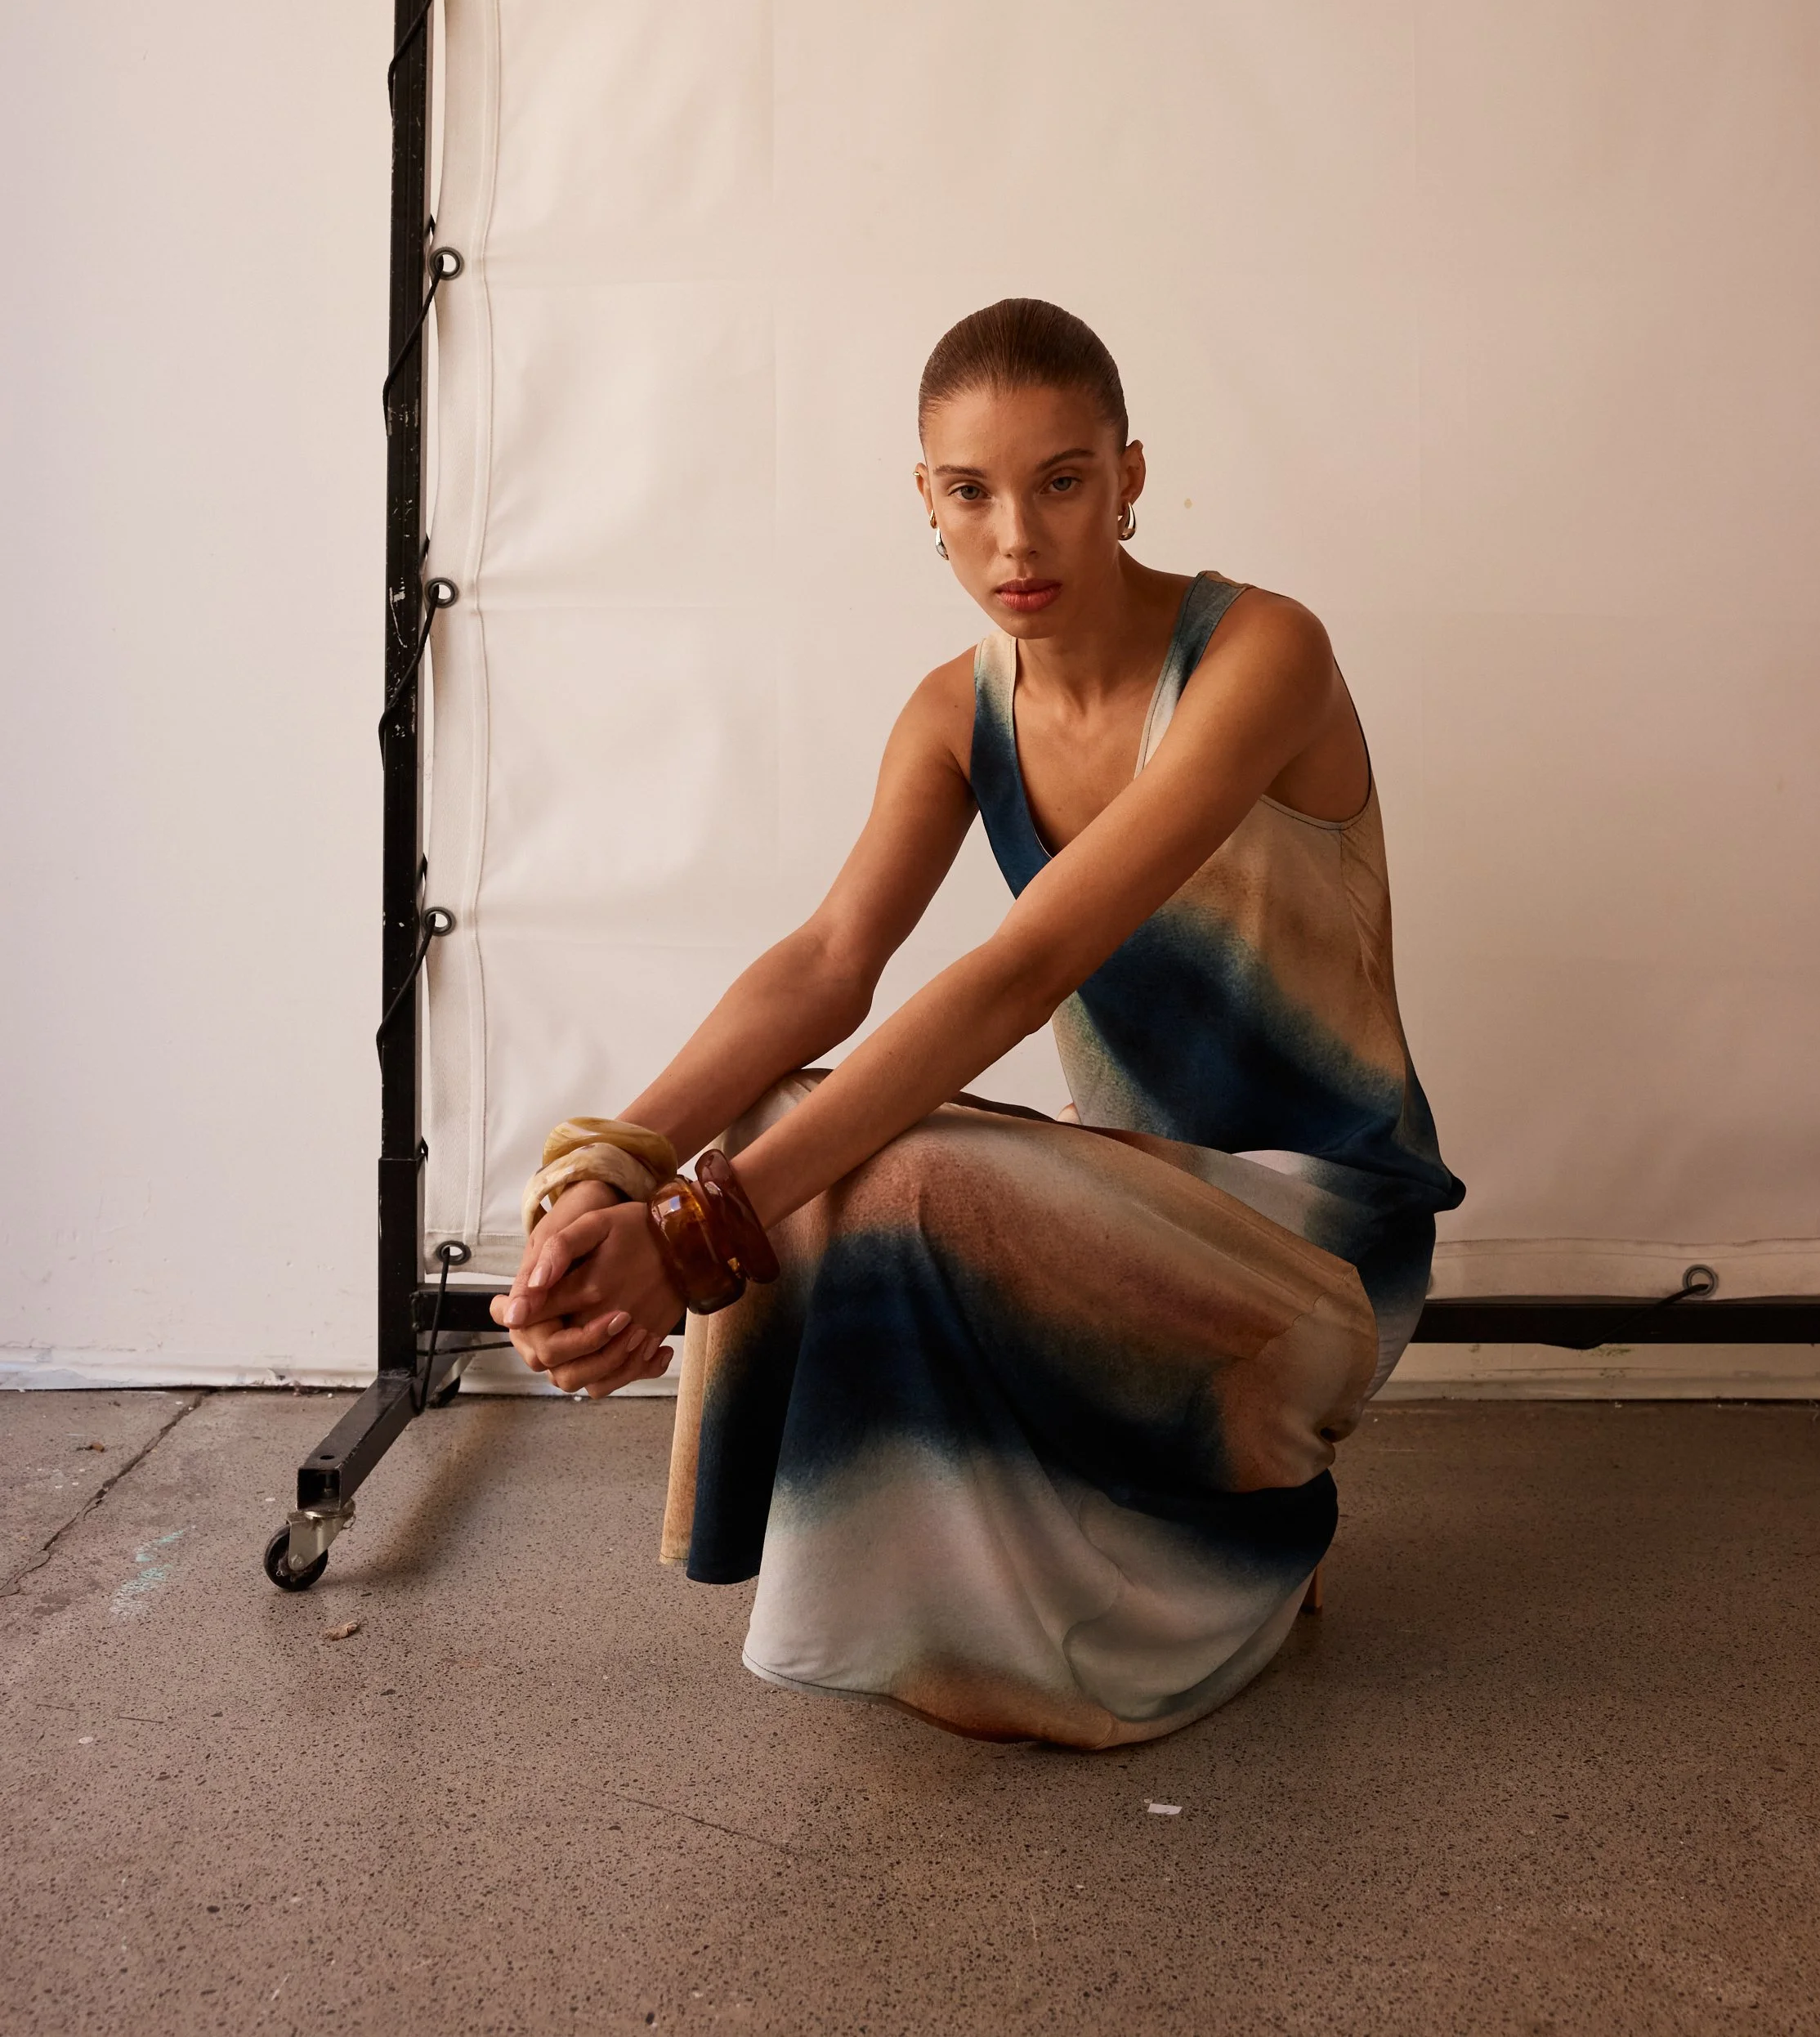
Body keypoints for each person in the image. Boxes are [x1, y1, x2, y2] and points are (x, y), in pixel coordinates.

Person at [493, 298, 1463, 1747]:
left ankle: (1249, 1509)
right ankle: (995, 1566)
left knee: (892, 1167)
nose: (1017, 539)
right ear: (925, 501)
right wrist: (609, 1170)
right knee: (787, 1118)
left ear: (1130, 478)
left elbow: (1025, 967)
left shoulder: (1262, 652)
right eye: (972, 491)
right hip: (1123, 1211)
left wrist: (700, 1236)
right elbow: (826, 961)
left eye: (1062, 482)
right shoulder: (954, 713)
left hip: (1319, 1234)